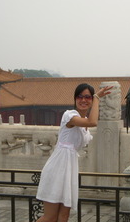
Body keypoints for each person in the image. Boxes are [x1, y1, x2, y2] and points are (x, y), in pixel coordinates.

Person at [36, 83, 112, 222]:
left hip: (69, 170)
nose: (83, 100)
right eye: (80, 96)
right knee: (50, 217)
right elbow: (93, 121)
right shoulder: (69, 116)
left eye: (87, 97)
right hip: (57, 168)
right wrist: (96, 98)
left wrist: (95, 99)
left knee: (63, 216)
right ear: (75, 99)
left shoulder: (84, 130)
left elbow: (89, 123)